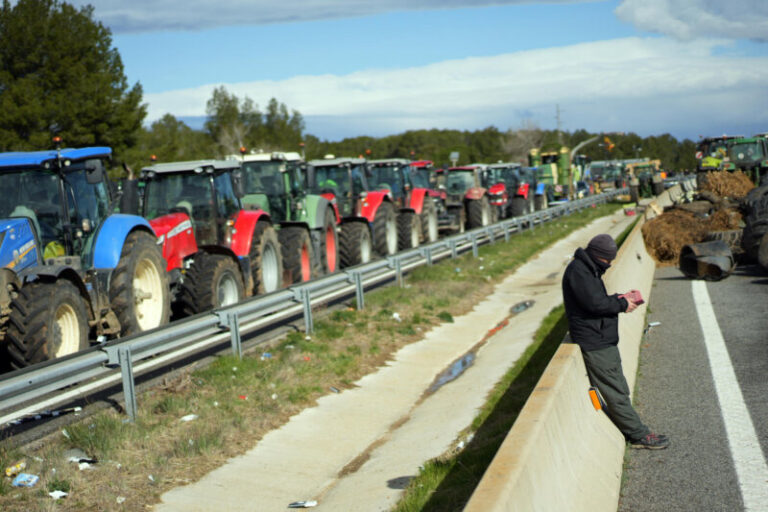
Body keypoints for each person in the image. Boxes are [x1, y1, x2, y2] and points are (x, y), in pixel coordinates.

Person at [562, 234, 669, 450]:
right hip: (595, 342)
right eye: (608, 260)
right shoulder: (579, 272)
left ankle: (634, 429)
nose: (610, 265)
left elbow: (596, 300)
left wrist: (620, 299)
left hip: (601, 338)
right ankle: (639, 435)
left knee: (617, 387)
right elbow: (595, 304)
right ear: (598, 256)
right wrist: (621, 305)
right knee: (615, 391)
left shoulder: (587, 268)